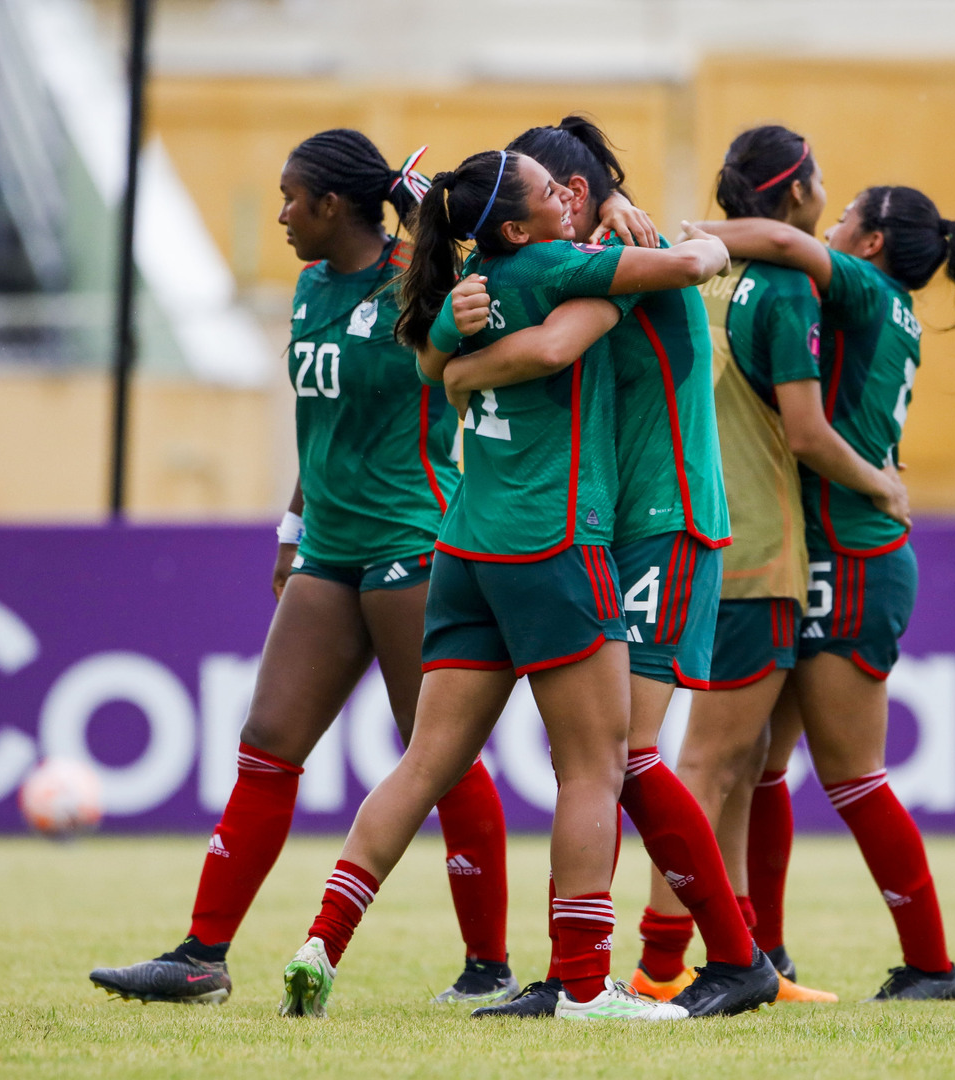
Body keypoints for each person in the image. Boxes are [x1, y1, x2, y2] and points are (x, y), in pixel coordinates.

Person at [277, 148, 731, 1022]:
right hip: (553, 545)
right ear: (519, 223)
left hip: (465, 548)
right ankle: (588, 984)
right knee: (594, 766)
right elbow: (675, 272)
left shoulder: (462, 283)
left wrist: (457, 359)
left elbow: (430, 369)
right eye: (544, 187)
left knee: (425, 763)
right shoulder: (559, 266)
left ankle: (320, 941)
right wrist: (681, 247)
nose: (566, 193)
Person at [88, 130, 516, 1008]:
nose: (280, 214)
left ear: (332, 205)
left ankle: (488, 969)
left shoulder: (420, 281)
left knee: (438, 757)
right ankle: (201, 957)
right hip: (329, 547)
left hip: (416, 542)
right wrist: (292, 522)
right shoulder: (311, 286)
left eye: (291, 197)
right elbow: (319, 426)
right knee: (268, 742)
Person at [422, 116, 779, 1020]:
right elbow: (453, 333)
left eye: (547, 188)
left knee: (622, 757)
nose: (539, 206)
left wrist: (462, 375)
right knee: (613, 758)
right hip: (613, 529)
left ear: (573, 197)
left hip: (666, 523)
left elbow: (543, 351)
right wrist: (446, 344)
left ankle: (700, 963)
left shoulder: (628, 250)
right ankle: (653, 966)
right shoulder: (573, 258)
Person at [699, 176, 955, 1001]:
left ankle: (931, 964)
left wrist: (694, 237)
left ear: (874, 240)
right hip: (822, 548)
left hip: (850, 557)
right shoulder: (894, 311)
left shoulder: (860, 286)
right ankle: (764, 954)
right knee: (759, 764)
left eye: (846, 213)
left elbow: (778, 243)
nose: (831, 219)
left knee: (851, 773)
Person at [643, 125, 909, 1003]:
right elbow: (803, 432)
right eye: (821, 179)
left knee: (743, 760)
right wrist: (884, 486)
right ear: (793, 194)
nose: (829, 198)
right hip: (757, 547)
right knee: (708, 766)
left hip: (675, 525)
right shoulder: (787, 283)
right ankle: (660, 963)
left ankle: (747, 952)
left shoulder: (687, 271)